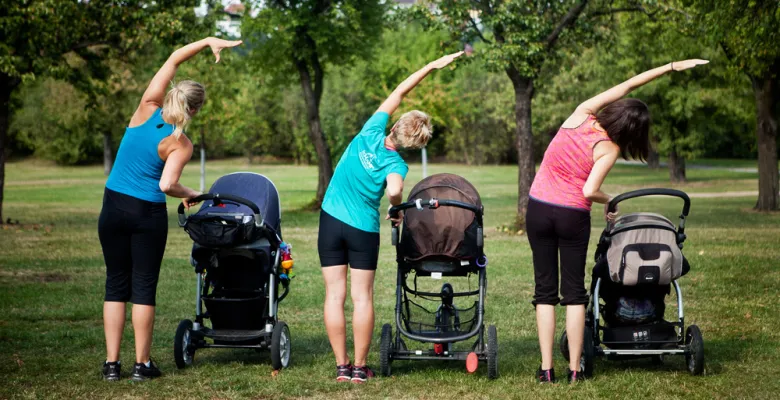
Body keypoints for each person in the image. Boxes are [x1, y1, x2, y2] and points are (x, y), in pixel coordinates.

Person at [527, 59, 708, 383]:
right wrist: (609, 199)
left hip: (538, 209)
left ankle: (545, 370)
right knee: (573, 293)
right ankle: (573, 371)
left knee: (544, 291)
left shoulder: (581, 114)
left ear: (616, 110)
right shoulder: (608, 149)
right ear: (634, 132)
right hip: (572, 215)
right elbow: (589, 190)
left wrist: (668, 67)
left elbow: (628, 85)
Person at [98, 37, 242, 381]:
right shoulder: (180, 143)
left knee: (116, 284)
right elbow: (166, 186)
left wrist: (208, 41)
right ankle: (142, 365)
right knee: (144, 286)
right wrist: (192, 192)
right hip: (146, 214)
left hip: (112, 207)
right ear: (195, 110)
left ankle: (112, 365)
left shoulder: (146, 106)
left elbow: (174, 58)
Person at [318, 51, 463, 383]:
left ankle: (341, 367)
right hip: (362, 230)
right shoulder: (397, 164)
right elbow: (396, 189)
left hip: (329, 221)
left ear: (396, 125)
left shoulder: (371, 129)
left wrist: (428, 66)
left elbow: (399, 92)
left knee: (334, 295)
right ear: (413, 145)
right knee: (361, 296)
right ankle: (358, 368)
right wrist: (394, 207)